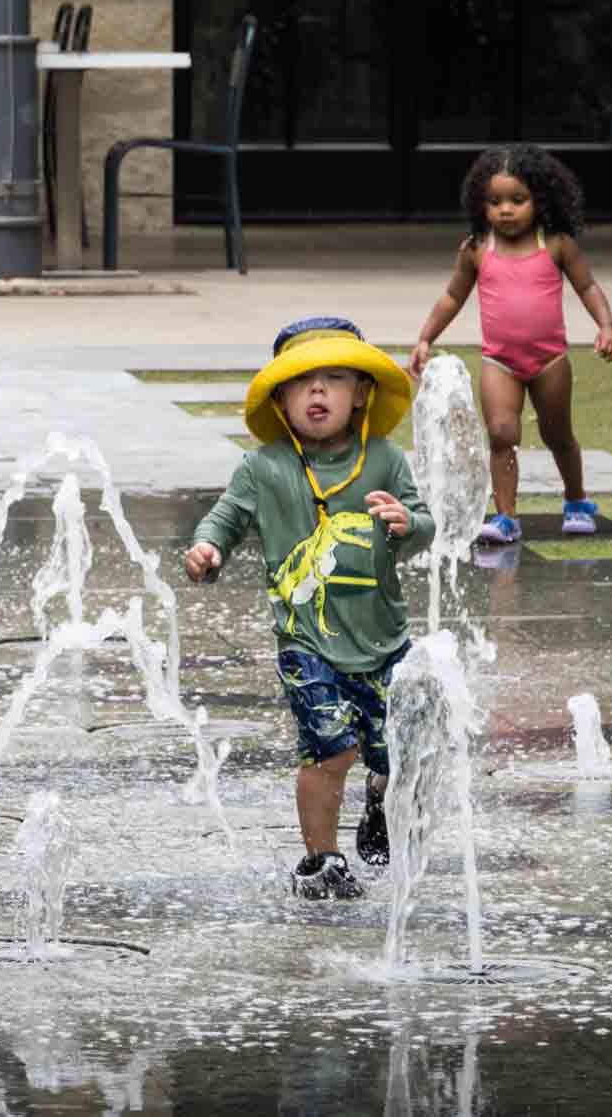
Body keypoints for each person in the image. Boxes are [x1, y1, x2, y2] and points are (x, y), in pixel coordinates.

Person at [183, 317, 431, 900]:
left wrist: (407, 523)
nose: (318, 391)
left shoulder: (385, 460)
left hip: (383, 638)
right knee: (329, 746)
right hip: (307, 640)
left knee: (395, 749)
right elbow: (227, 517)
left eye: (334, 378)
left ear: (362, 393)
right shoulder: (264, 467)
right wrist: (207, 547)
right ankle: (322, 858)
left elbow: (422, 523)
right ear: (280, 398)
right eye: (303, 382)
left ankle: (379, 800)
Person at [406, 144, 612, 546]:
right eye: (495, 201)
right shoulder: (476, 249)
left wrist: (606, 327)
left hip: (550, 361)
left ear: (541, 199)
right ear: (480, 204)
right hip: (499, 362)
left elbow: (588, 287)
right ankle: (506, 516)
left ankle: (576, 500)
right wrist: (425, 338)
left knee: (558, 434)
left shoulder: (556, 243)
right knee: (502, 433)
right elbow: (452, 297)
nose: (505, 210)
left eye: (517, 200)